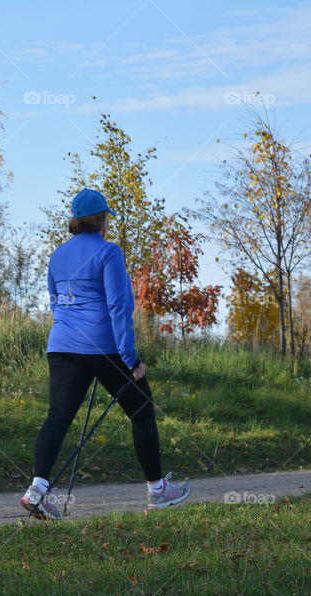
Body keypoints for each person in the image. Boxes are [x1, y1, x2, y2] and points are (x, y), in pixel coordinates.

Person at [20, 188, 192, 519]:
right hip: (104, 346)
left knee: (58, 416)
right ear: (101, 220)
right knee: (142, 411)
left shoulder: (57, 255)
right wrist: (130, 358)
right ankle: (158, 491)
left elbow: (56, 303)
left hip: (62, 345)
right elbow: (119, 306)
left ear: (74, 221)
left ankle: (37, 491)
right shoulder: (109, 252)